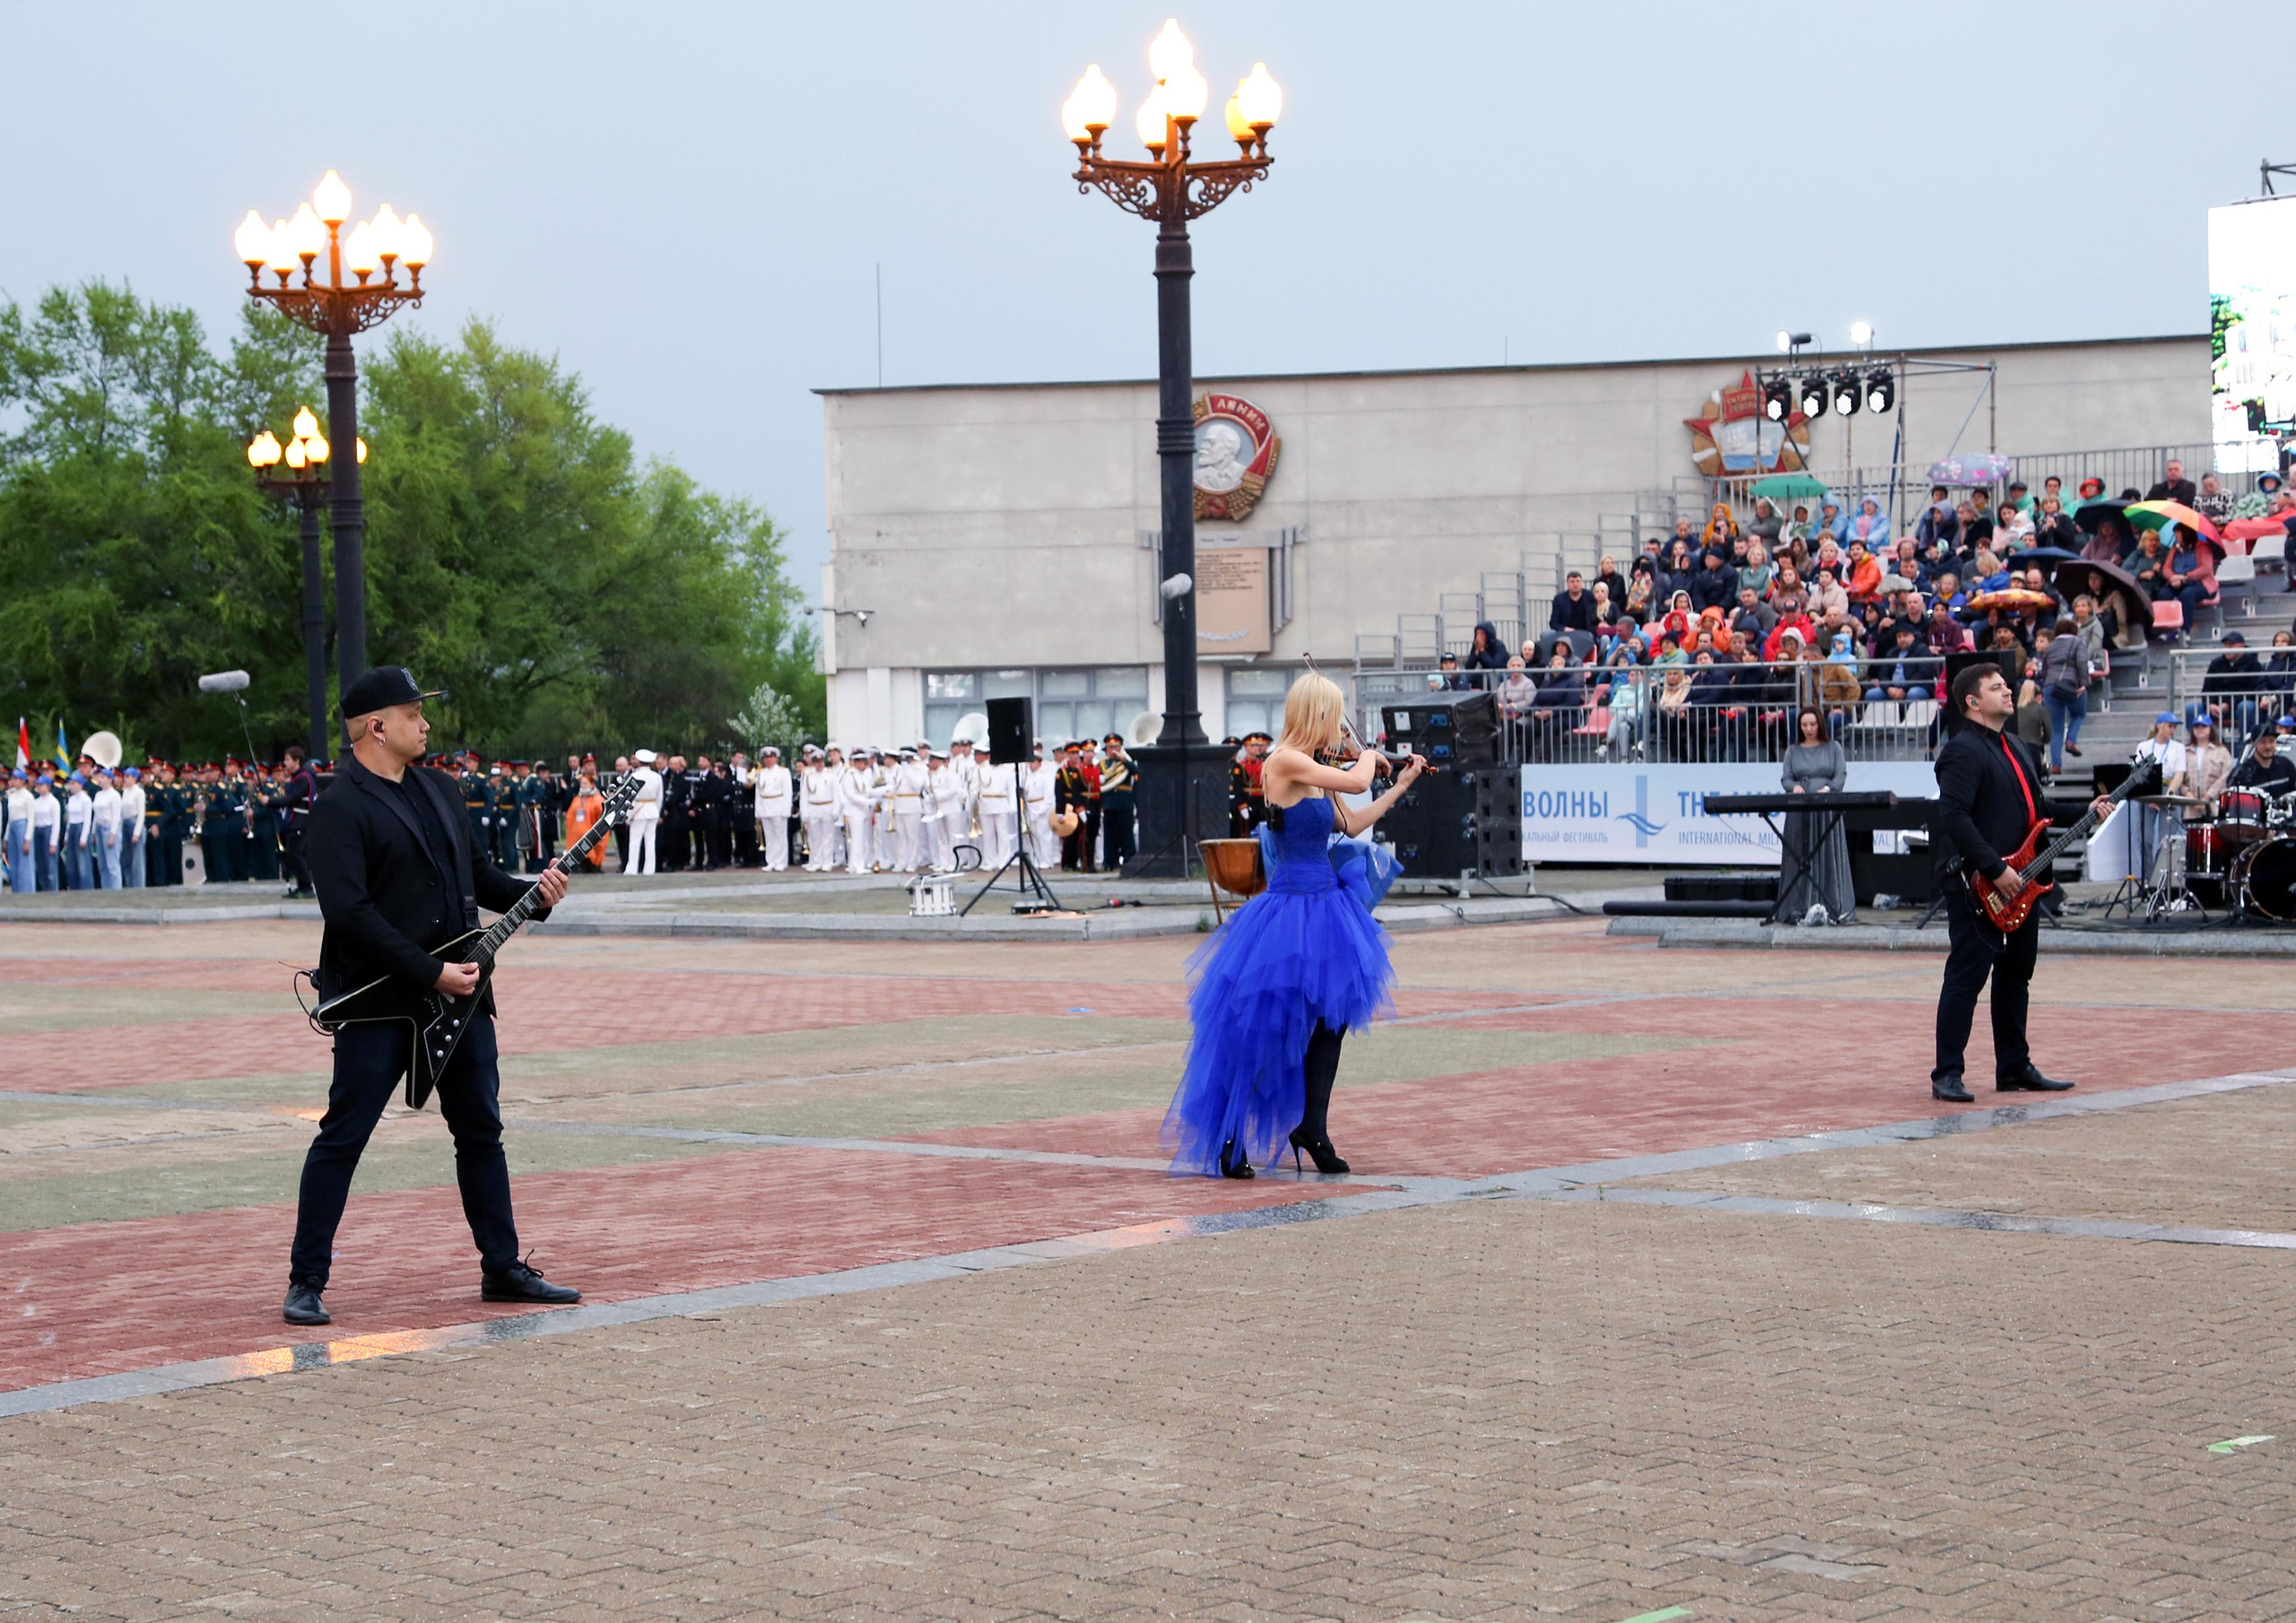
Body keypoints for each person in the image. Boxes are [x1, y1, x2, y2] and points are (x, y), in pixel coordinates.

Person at [288, 665, 581, 1328]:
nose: (425, 724)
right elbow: (351, 913)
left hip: (461, 995)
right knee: (344, 1135)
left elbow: (474, 877)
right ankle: (306, 1280)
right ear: (375, 726)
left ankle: (501, 1267)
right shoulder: (338, 806)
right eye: (413, 714)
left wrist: (533, 895)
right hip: (381, 1000)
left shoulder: (442, 789)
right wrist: (429, 971)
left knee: (481, 1129)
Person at [1161, 673, 1425, 1180]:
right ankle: (1232, 1135)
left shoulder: (1319, 770)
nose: (1339, 730)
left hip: (1327, 907)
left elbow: (1352, 821)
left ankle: (1313, 1127)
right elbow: (1355, 779)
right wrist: (1364, 755)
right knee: (1266, 1028)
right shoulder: (1284, 761)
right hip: (1286, 913)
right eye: (1335, 717)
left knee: (1332, 1022)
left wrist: (1402, 784)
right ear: (1317, 715)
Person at [1930, 662, 2105, 1104]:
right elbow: (1954, 818)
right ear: (1973, 702)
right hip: (1981, 886)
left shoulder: (2018, 747)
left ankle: (2013, 1066)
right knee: (1967, 977)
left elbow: (2038, 811)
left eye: (2007, 685)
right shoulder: (1961, 751)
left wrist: (2089, 809)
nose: (2009, 691)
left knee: (2016, 977)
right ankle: (1947, 1072)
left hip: (2022, 884)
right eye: (1997, 688)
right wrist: (1994, 869)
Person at [1779, 707, 1854, 923]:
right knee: (1799, 851)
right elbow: (1786, 778)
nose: (1809, 729)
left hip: (1825, 807)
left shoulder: (1833, 748)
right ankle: (1797, 905)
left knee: (1826, 850)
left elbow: (1840, 775)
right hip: (1800, 807)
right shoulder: (1792, 751)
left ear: (1820, 724)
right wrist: (1794, 787)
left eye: (1812, 724)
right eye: (1805, 725)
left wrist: (1829, 789)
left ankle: (1833, 903)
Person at [1099, 733, 1136, 871]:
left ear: (1120, 748)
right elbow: (1100, 783)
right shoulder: (1103, 764)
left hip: (1124, 802)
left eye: (1115, 747)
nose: (1113, 750)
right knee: (1109, 835)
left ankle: (1129, 860)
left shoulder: (1126, 762)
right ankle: (1110, 861)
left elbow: (1135, 771)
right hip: (1109, 802)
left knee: (1126, 834)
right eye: (1110, 747)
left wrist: (1124, 760)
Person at [622, 748, 663, 874]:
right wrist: (657, 811)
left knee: (635, 841)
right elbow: (659, 798)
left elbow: (630, 797)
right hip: (652, 810)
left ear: (639, 762)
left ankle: (632, 869)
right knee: (650, 841)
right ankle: (649, 869)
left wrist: (628, 815)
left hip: (639, 810)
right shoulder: (657, 776)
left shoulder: (634, 776)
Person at [752, 745, 793, 872]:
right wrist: (757, 811)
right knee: (769, 837)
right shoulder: (761, 773)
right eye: (766, 758)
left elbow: (788, 792)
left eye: (771, 757)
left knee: (780, 836)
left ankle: (781, 861)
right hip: (765, 807)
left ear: (776, 759)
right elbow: (758, 793)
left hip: (778, 806)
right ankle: (771, 861)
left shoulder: (783, 772)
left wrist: (786, 810)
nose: (769, 760)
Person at [2227, 724, 2296, 797]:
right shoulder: (2241, 773)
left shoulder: (2286, 765)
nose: (2268, 746)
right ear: (2253, 743)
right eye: (2263, 742)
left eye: (2271, 741)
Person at [90, 767, 123, 889]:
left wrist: (112, 834)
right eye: (99, 777)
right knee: (102, 864)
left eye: (103, 777)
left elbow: (116, 816)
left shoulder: (114, 795)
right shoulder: (98, 794)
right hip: (99, 826)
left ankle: (116, 889)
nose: (100, 779)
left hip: (109, 827)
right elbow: (96, 814)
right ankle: (106, 889)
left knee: (112, 863)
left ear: (110, 779)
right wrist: (93, 832)